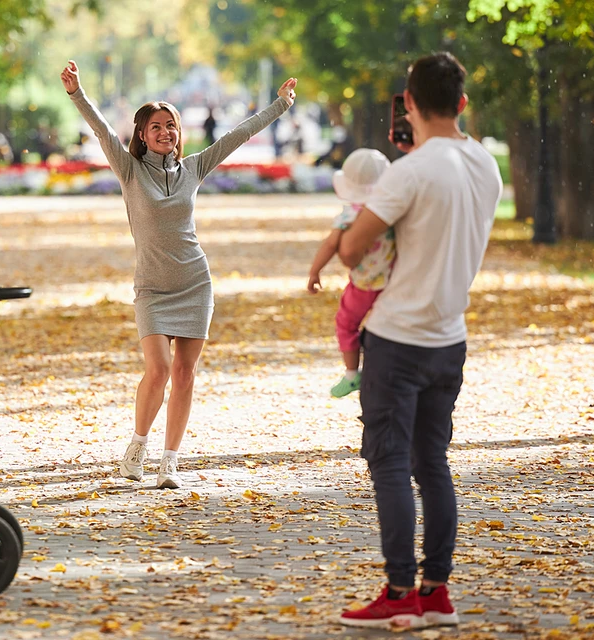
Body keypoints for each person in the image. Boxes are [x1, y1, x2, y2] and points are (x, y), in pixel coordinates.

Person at [61, 59, 297, 489]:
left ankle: (170, 461)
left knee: (185, 374)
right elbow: (99, 129)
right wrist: (77, 92)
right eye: (156, 126)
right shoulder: (128, 169)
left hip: (194, 282)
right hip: (152, 288)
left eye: (171, 126)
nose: (165, 132)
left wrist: (280, 105)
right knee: (158, 370)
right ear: (141, 134)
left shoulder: (192, 169)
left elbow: (237, 136)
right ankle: (137, 447)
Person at [334, 52, 502, 629]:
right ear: (461, 103)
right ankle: (436, 592)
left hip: (397, 339)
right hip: (449, 339)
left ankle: (399, 590)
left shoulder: (407, 172)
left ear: (408, 103)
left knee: (388, 462)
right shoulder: (484, 165)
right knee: (433, 462)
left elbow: (354, 249)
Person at [307, 148, 393, 398]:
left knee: (345, 323)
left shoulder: (350, 213)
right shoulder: (390, 210)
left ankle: (352, 373)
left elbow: (331, 244)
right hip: (392, 281)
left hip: (364, 285)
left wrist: (315, 272)